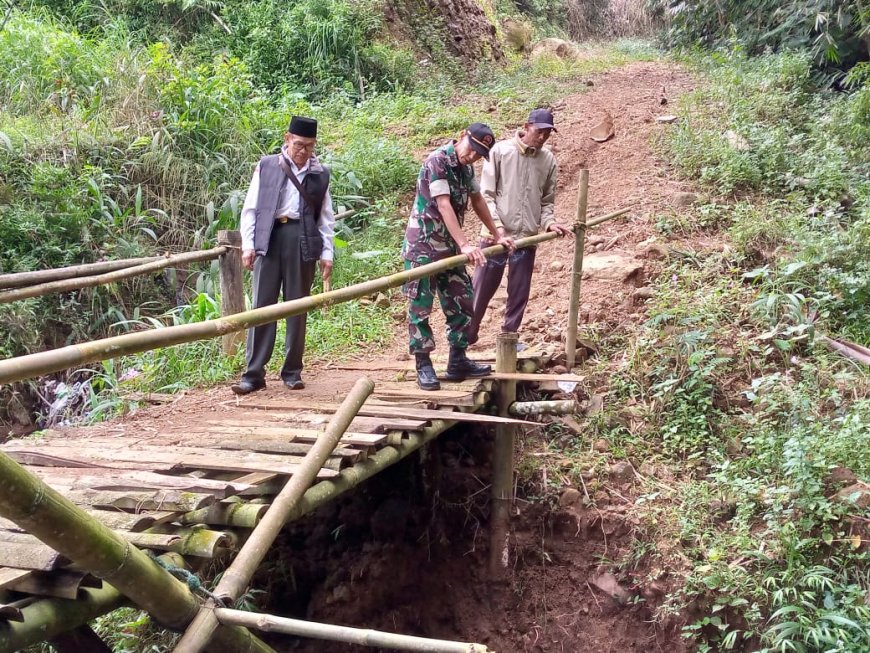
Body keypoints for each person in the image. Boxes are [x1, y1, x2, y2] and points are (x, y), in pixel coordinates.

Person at [403, 123, 515, 391]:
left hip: (450, 247)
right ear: (463, 136)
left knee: (462, 298)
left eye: (479, 154)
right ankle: (424, 364)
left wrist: (497, 234)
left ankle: (457, 359)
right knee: (421, 306)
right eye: (472, 149)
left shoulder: (466, 168)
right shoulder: (438, 161)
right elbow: (443, 204)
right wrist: (465, 244)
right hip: (424, 247)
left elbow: (477, 200)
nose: (473, 156)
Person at [231, 116, 335, 395]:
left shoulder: (320, 173)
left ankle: (292, 371)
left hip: (302, 239)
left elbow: (325, 218)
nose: (303, 151)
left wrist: (327, 252)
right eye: (299, 145)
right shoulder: (266, 166)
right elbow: (251, 208)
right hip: (270, 236)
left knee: (296, 307)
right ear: (287, 139)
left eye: (309, 147)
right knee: (262, 307)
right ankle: (253, 374)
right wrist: (248, 244)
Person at [467, 108, 571, 346]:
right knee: (481, 289)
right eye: (540, 131)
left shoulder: (548, 160)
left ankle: (509, 337)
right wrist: (497, 229)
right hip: (495, 236)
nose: (543, 137)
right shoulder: (500, 151)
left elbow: (546, 200)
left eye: (548, 133)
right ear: (527, 126)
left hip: (526, 237)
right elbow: (486, 195)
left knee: (519, 292)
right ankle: (467, 335)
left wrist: (549, 222)